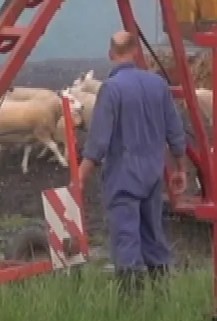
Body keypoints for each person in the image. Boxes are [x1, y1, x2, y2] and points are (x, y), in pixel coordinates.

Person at [79, 30, 188, 284]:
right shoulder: (158, 85)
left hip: (123, 176)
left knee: (126, 238)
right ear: (137, 51)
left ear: (110, 54)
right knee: (153, 236)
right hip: (153, 173)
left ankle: (132, 307)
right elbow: (175, 131)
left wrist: (80, 178)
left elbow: (98, 143)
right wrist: (180, 169)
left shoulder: (111, 89)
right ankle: (162, 298)